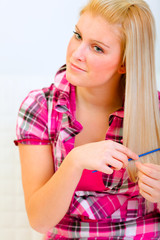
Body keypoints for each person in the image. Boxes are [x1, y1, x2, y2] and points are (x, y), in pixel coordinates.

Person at [14, 0, 160, 239]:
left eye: (97, 48)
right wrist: (74, 162)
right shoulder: (40, 107)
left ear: (124, 63)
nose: (76, 54)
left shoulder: (157, 112)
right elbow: (40, 221)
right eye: (78, 35)